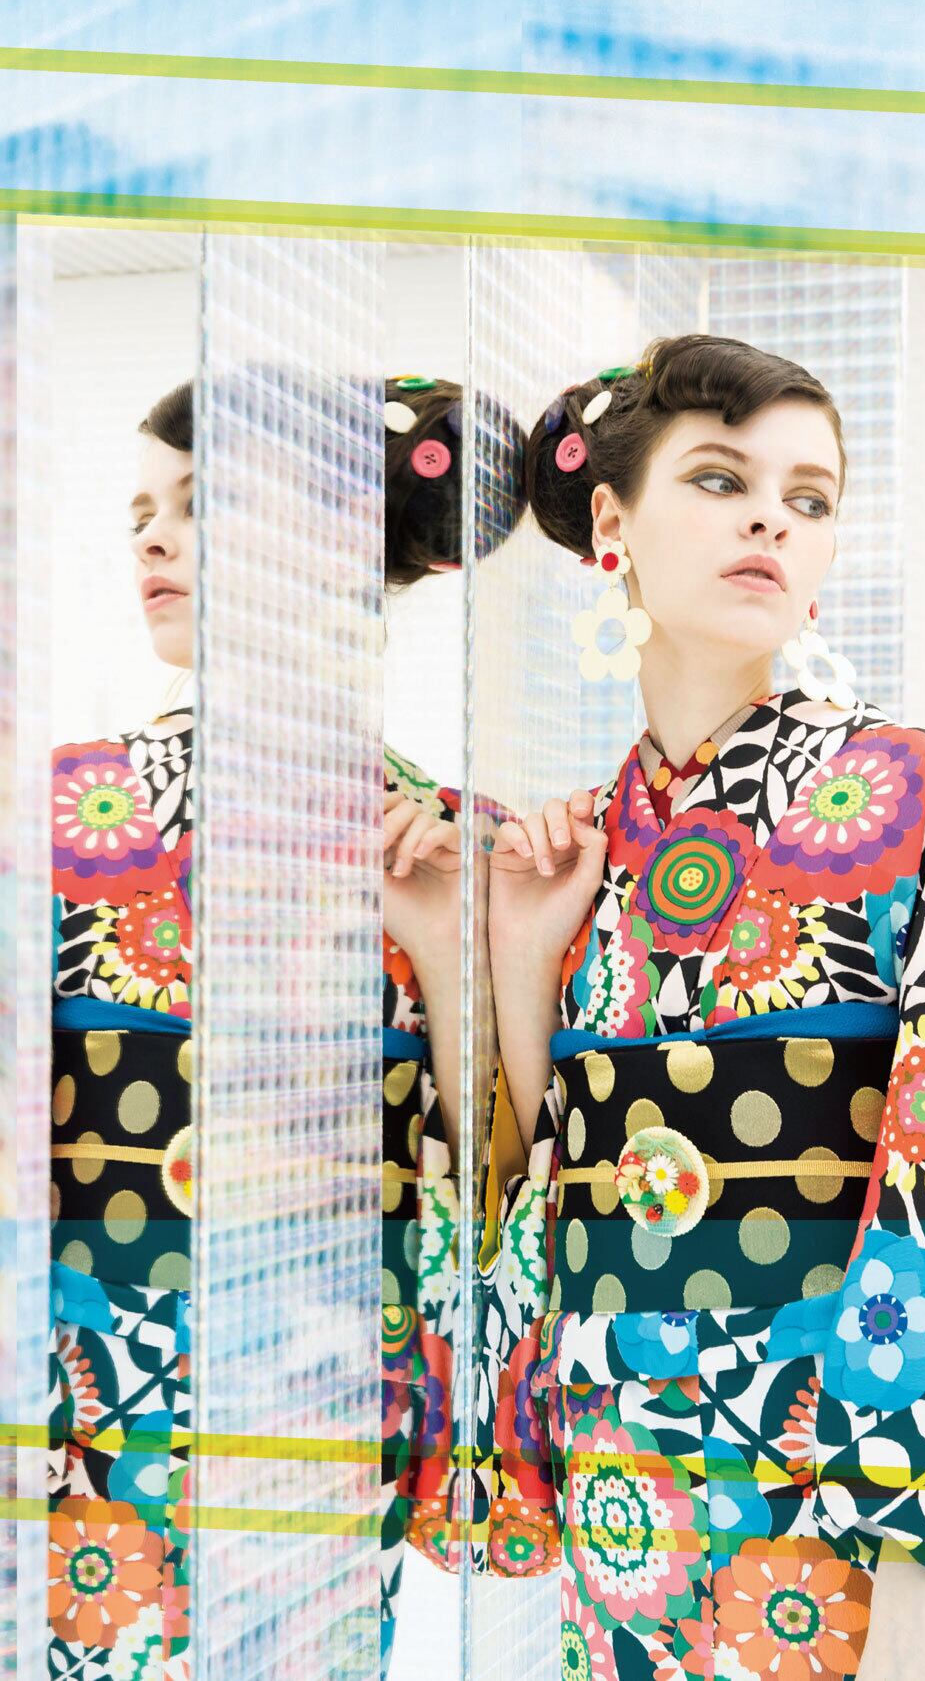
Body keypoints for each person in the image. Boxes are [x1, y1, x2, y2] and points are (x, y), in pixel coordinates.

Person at [477, 334, 925, 1680]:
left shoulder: (913, 793)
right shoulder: (590, 844)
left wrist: (923, 1587)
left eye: (807, 498)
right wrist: (526, 954)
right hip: (630, 1483)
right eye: (721, 479)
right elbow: (554, 1189)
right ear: (611, 524)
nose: (770, 519)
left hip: (850, 1494)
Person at [46, 371, 523, 1681]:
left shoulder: (449, 847)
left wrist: (443, 945)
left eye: (200, 504)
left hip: (322, 1427)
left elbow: (502, 1184)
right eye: (141, 513)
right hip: (75, 1418)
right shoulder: (68, 815)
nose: (152, 539)